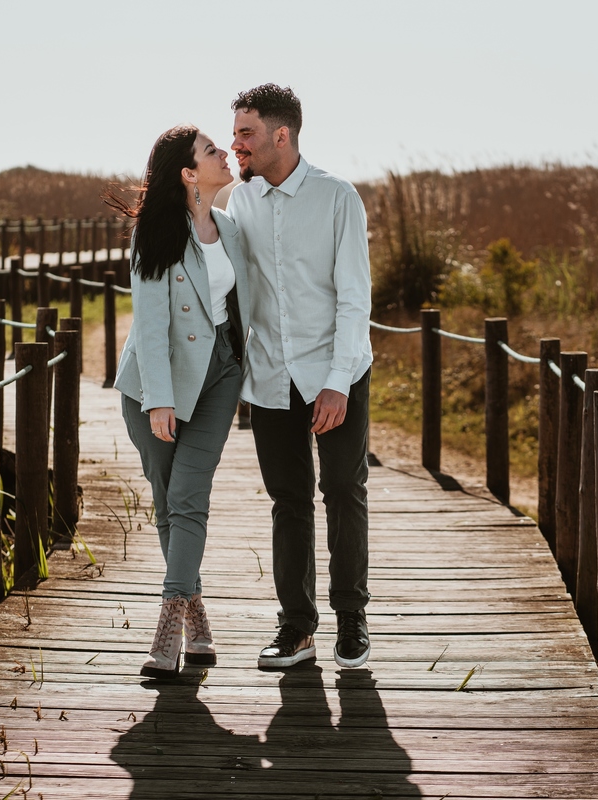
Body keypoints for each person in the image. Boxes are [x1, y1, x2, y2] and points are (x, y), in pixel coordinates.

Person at [227, 84, 374, 669]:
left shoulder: (338, 198)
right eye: (235, 132)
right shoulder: (241, 202)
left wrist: (338, 381)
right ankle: (296, 629)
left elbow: (353, 299)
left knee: (342, 491)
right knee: (288, 501)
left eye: (246, 134)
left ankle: (352, 622)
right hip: (270, 377)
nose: (237, 144)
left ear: (280, 135)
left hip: (335, 371)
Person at [111, 125, 249, 680]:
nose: (223, 154)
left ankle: (166, 629)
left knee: (189, 495)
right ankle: (197, 623)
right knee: (171, 504)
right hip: (152, 387)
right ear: (189, 174)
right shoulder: (155, 234)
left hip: (220, 375)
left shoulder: (233, 229)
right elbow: (149, 324)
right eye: (211, 150)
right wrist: (159, 401)